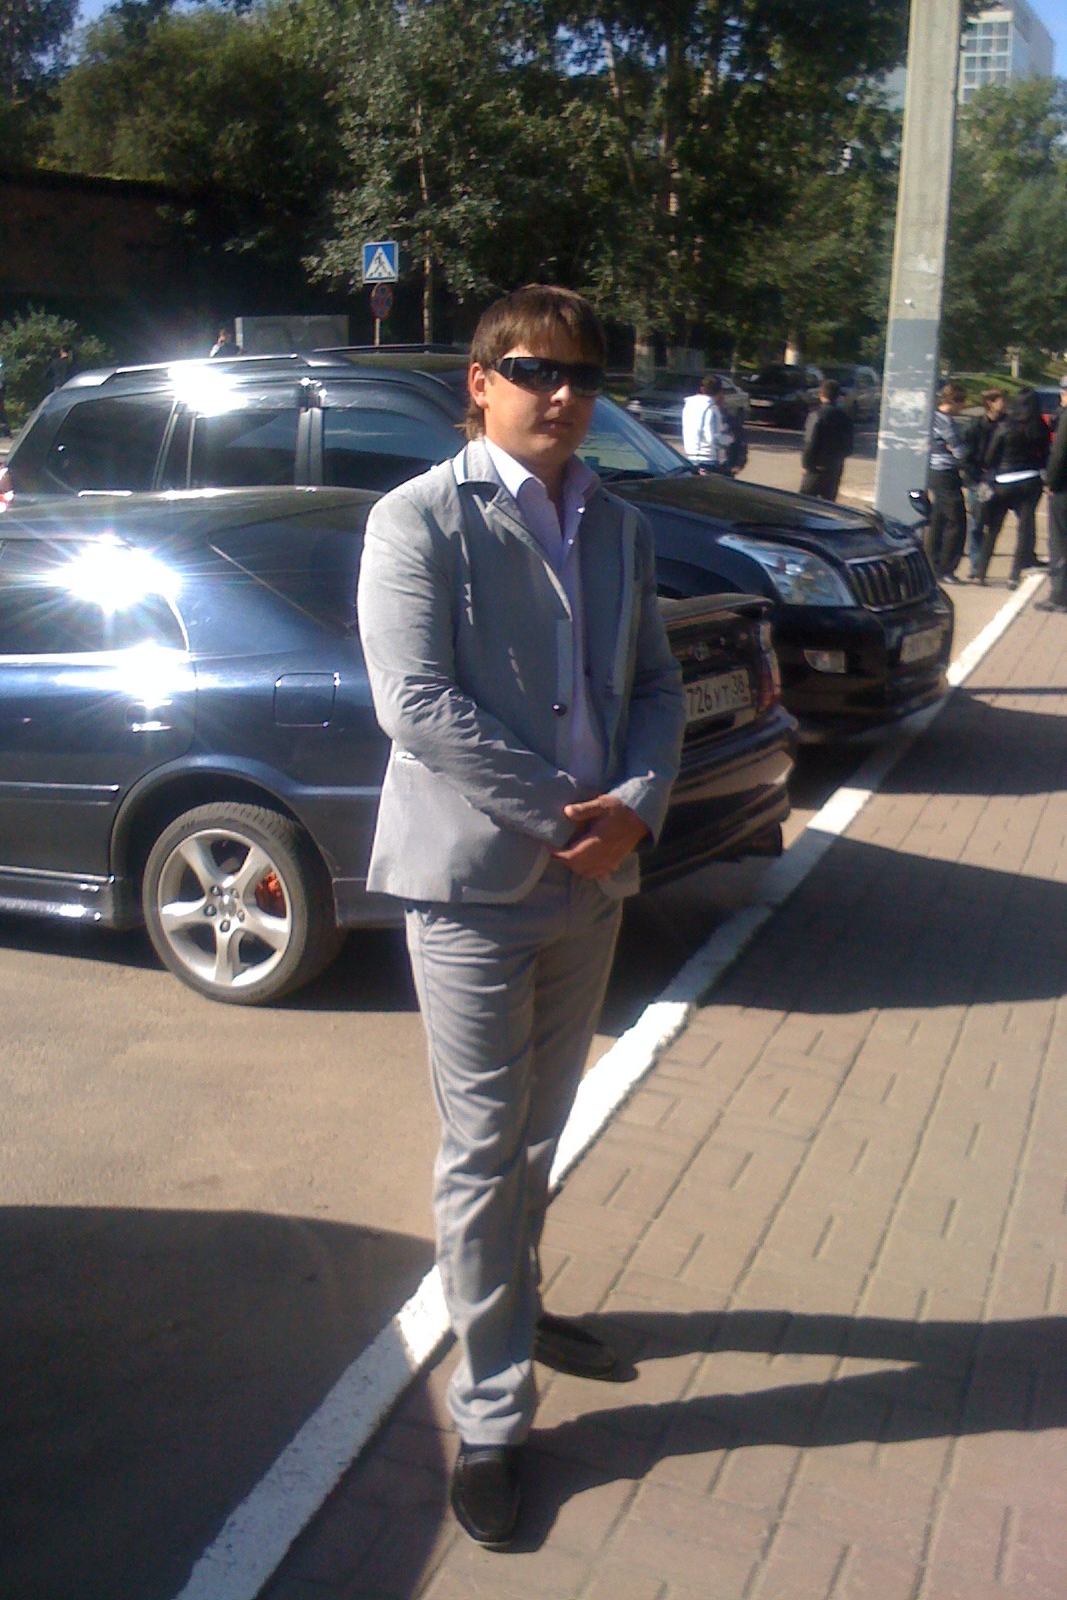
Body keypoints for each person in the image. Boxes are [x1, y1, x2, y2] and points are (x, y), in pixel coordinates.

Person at [356, 285, 686, 1550]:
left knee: (540, 1133)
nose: (564, 395)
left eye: (584, 376)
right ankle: (490, 1415)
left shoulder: (620, 523)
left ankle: (509, 1301)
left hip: (591, 884)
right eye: (538, 370)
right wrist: (571, 813)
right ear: (480, 382)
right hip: (473, 890)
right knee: (486, 1145)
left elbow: (654, 687)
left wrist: (636, 810)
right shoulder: (418, 518)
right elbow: (415, 703)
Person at [971, 385, 1050, 588]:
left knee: (994, 528)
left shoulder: (1005, 426)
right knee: (1024, 529)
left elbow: (989, 457)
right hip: (1030, 480)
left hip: (1003, 480)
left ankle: (981, 573)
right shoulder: (1039, 426)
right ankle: (1014, 575)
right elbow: (1046, 455)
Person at [962, 389, 1007, 578]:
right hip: (979, 480)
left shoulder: (1008, 424)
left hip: (1000, 479)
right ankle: (976, 564)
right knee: (977, 523)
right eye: (1002, 400)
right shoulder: (975, 426)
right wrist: (976, 477)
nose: (1005, 404)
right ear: (990, 402)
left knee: (994, 524)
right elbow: (966, 455)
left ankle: (982, 565)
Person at [925, 382, 968, 580]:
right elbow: (959, 451)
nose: (963, 407)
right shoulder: (946, 423)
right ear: (954, 402)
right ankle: (947, 567)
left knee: (939, 518)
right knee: (956, 520)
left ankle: (932, 563)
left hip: (934, 472)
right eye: (962, 403)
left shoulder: (932, 418)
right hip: (945, 472)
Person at [1038, 373, 1067, 613]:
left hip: (1064, 489)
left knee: (1059, 541)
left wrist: (1051, 482)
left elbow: (1059, 454)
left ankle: (1059, 596)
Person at [799, 379, 854, 501]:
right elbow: (849, 447)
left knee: (804, 503)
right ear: (838, 396)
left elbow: (810, 442)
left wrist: (806, 464)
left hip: (816, 469)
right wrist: (837, 458)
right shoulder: (845, 417)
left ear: (821, 394)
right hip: (834, 469)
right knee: (828, 505)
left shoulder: (816, 415)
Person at [681, 375, 732, 471]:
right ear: (720, 392)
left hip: (690, 455)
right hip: (708, 458)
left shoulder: (688, 406)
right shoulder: (711, 409)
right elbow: (712, 438)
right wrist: (729, 439)